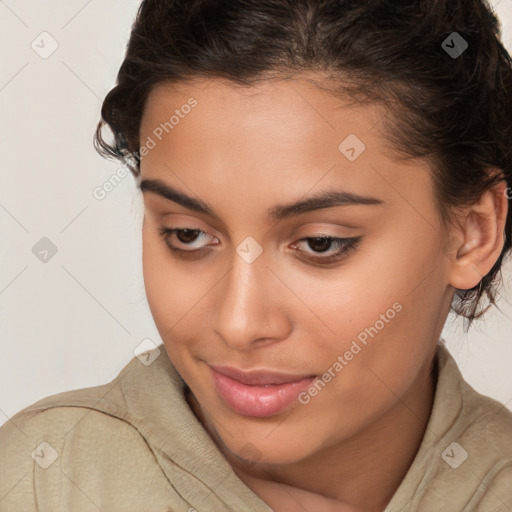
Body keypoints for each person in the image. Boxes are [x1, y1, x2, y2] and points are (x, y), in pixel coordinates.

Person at [1, 0, 512, 510]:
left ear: (471, 232)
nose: (239, 324)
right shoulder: (41, 482)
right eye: (187, 235)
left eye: (321, 243)